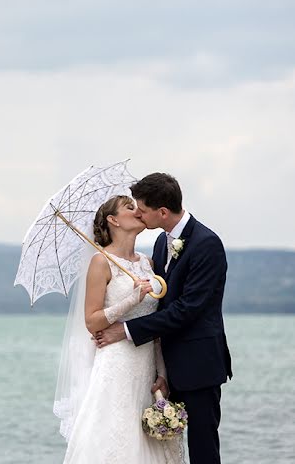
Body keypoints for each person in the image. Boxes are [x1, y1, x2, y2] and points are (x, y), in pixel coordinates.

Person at [95, 173, 232, 464]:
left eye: (142, 210)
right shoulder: (160, 242)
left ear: (162, 212)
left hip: (198, 364)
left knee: (203, 446)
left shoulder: (207, 244)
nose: (139, 215)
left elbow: (187, 309)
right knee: (162, 446)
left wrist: (127, 330)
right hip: (161, 366)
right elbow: (160, 303)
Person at [57, 194, 185, 463]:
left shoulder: (148, 263)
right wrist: (131, 299)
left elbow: (157, 326)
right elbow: (92, 321)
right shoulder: (101, 262)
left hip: (147, 366)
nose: (137, 210)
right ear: (113, 220)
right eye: (129, 207)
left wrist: (162, 373)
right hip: (117, 365)